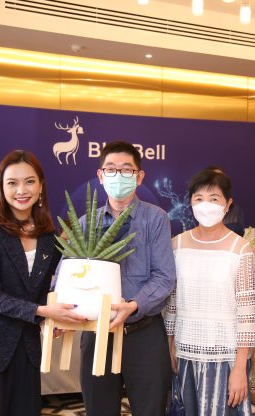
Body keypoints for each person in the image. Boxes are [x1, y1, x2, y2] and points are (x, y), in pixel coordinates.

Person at [0, 150, 86, 416]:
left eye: (29, 181)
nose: (21, 190)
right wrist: (42, 311)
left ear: (41, 186)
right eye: (12, 183)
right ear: (1, 188)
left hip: (27, 350)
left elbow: (44, 289)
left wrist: (53, 316)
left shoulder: (49, 238)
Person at [79, 141, 176, 416]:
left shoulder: (156, 219)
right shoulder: (86, 223)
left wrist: (133, 305)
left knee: (150, 409)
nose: (118, 175)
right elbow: (68, 271)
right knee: (98, 410)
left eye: (126, 170)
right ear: (100, 176)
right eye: (110, 169)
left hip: (143, 332)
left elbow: (164, 277)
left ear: (139, 176)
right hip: (97, 333)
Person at [164, 168, 255, 415]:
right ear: (191, 203)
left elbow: (247, 314)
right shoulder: (176, 244)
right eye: (199, 198)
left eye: (214, 198)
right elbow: (172, 302)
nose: (206, 205)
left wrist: (240, 367)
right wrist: (169, 346)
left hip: (226, 358)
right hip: (184, 354)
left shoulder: (241, 249)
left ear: (228, 204)